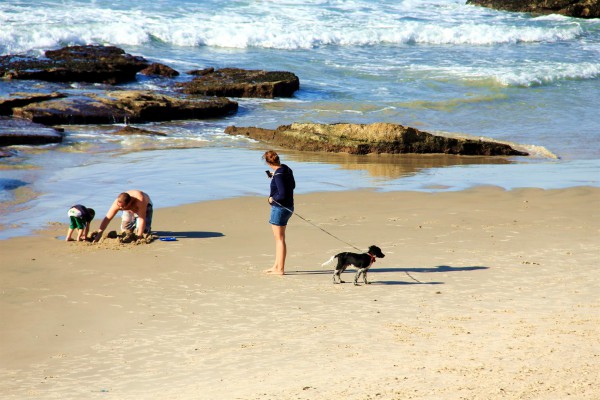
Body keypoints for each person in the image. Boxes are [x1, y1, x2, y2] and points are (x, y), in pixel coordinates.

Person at [262, 150, 295, 275]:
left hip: (280, 208)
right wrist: (274, 175)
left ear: (268, 162)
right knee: (280, 239)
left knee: (279, 239)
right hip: (289, 207)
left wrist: (272, 198)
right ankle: (276, 266)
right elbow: (292, 185)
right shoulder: (286, 169)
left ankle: (280, 269)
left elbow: (282, 194)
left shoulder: (279, 175)